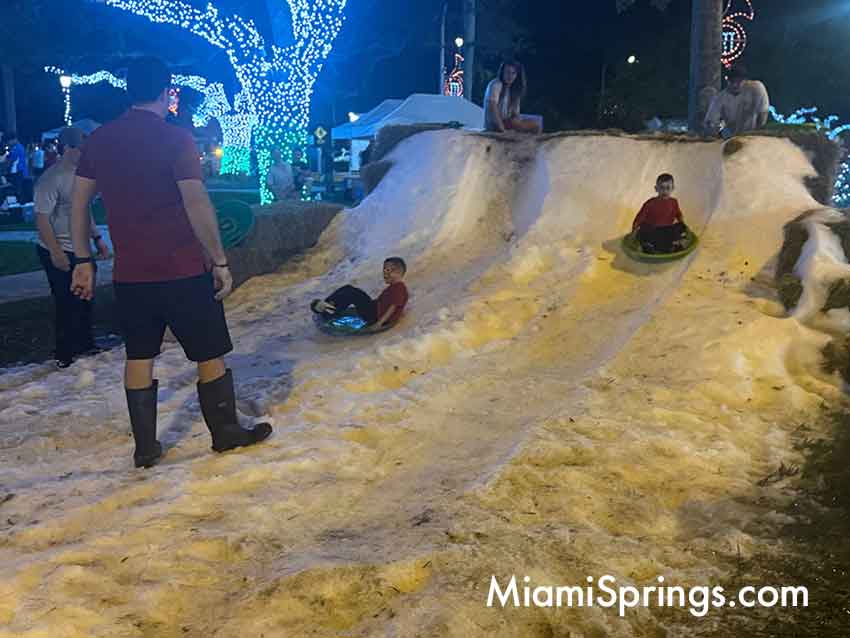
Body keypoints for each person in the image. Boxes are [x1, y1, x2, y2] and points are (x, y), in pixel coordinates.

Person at [69, 56, 272, 469]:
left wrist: (83, 259)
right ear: (167, 92)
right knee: (209, 353)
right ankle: (225, 434)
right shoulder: (176, 140)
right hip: (181, 269)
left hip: (131, 275)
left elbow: (77, 204)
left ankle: (145, 448)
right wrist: (219, 259)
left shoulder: (101, 140)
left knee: (139, 357)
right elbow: (195, 201)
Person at [35, 127, 110, 369]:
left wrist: (97, 238)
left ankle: (86, 344)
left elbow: (84, 210)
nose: (85, 152)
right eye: (81, 148)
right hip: (56, 248)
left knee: (85, 298)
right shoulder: (51, 178)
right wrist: (56, 253)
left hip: (81, 249)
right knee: (66, 301)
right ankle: (64, 352)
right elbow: (42, 219)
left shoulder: (81, 175)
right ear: (67, 148)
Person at [311, 258, 409, 332]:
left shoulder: (399, 288)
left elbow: (393, 307)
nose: (384, 273)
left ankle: (329, 311)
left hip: (374, 316)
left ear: (398, 272)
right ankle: (329, 305)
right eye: (384, 270)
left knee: (352, 294)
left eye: (388, 271)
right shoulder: (396, 287)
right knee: (349, 288)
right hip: (374, 309)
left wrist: (378, 324)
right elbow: (394, 305)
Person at [704, 65, 770, 138]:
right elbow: (710, 122)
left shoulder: (756, 88)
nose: (735, 85)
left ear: (745, 80)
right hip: (731, 137)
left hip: (753, 135)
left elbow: (763, 113)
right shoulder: (720, 98)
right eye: (731, 81)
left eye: (739, 81)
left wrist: (757, 134)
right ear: (727, 81)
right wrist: (722, 132)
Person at [632, 174, 689, 254]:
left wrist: (683, 223)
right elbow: (640, 218)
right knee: (643, 229)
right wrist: (634, 230)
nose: (665, 191)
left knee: (681, 226)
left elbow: (679, 215)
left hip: (667, 231)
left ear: (672, 188)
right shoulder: (650, 203)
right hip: (653, 232)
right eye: (662, 188)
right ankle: (648, 246)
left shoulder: (674, 202)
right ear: (656, 189)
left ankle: (675, 245)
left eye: (668, 188)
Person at [483, 61, 541, 134]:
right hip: (494, 124)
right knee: (533, 126)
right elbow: (492, 108)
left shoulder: (514, 90)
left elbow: (515, 115)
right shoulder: (496, 84)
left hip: (507, 122)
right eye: (507, 72)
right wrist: (502, 129)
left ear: (517, 75)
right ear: (502, 73)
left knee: (536, 125)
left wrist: (517, 122)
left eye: (513, 73)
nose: (510, 76)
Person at [5, 133, 28, 200]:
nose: (8, 143)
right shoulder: (20, 147)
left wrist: (7, 169)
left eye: (9, 141)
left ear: (14, 140)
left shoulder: (17, 148)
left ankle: (18, 205)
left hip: (17, 172)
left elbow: (10, 161)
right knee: (19, 189)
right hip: (20, 171)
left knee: (17, 190)